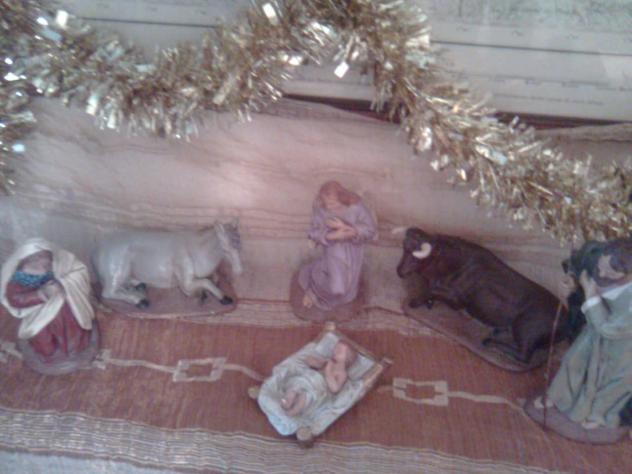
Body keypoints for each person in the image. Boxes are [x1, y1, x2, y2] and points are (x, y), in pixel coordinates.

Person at [534, 238, 632, 429]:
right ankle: (558, 396)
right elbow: (579, 266)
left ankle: (598, 414)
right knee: (574, 361)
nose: (601, 274)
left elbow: (609, 329)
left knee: (610, 382)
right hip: (593, 330)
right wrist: (572, 280)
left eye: (611, 273)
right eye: (601, 267)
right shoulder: (596, 253)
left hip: (622, 346)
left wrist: (590, 293)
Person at [0, 238, 96, 363]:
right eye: (35, 261)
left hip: (65, 307)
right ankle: (50, 354)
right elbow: (15, 299)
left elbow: (76, 270)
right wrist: (40, 294)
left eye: (45, 262)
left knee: (72, 332)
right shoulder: (19, 279)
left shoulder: (58, 263)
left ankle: (74, 348)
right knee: (44, 340)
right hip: (38, 314)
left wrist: (63, 284)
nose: (41, 266)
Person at [299, 181, 377, 310]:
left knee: (348, 295)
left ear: (342, 198)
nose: (328, 207)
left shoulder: (356, 207)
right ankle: (313, 292)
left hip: (353, 254)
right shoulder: (321, 210)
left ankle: (316, 285)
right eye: (326, 203)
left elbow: (370, 230)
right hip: (333, 252)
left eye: (332, 203)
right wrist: (332, 236)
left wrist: (348, 230)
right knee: (337, 289)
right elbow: (313, 232)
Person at [280, 341, 358, 417]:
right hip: (308, 379)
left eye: (339, 351)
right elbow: (309, 361)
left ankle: (294, 411)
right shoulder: (327, 361)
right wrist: (319, 363)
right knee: (295, 385)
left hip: (318, 387)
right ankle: (287, 401)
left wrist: (328, 372)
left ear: (348, 358)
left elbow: (335, 389)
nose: (334, 351)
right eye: (335, 348)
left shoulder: (342, 373)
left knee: (305, 397)